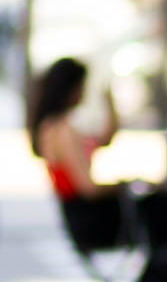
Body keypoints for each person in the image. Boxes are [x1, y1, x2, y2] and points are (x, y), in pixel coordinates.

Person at [28, 57, 129, 248]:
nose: (84, 92)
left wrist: (109, 101)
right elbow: (89, 189)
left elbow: (105, 138)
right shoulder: (64, 131)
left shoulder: (50, 127)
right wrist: (125, 185)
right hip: (90, 219)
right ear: (71, 89)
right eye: (82, 86)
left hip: (78, 217)